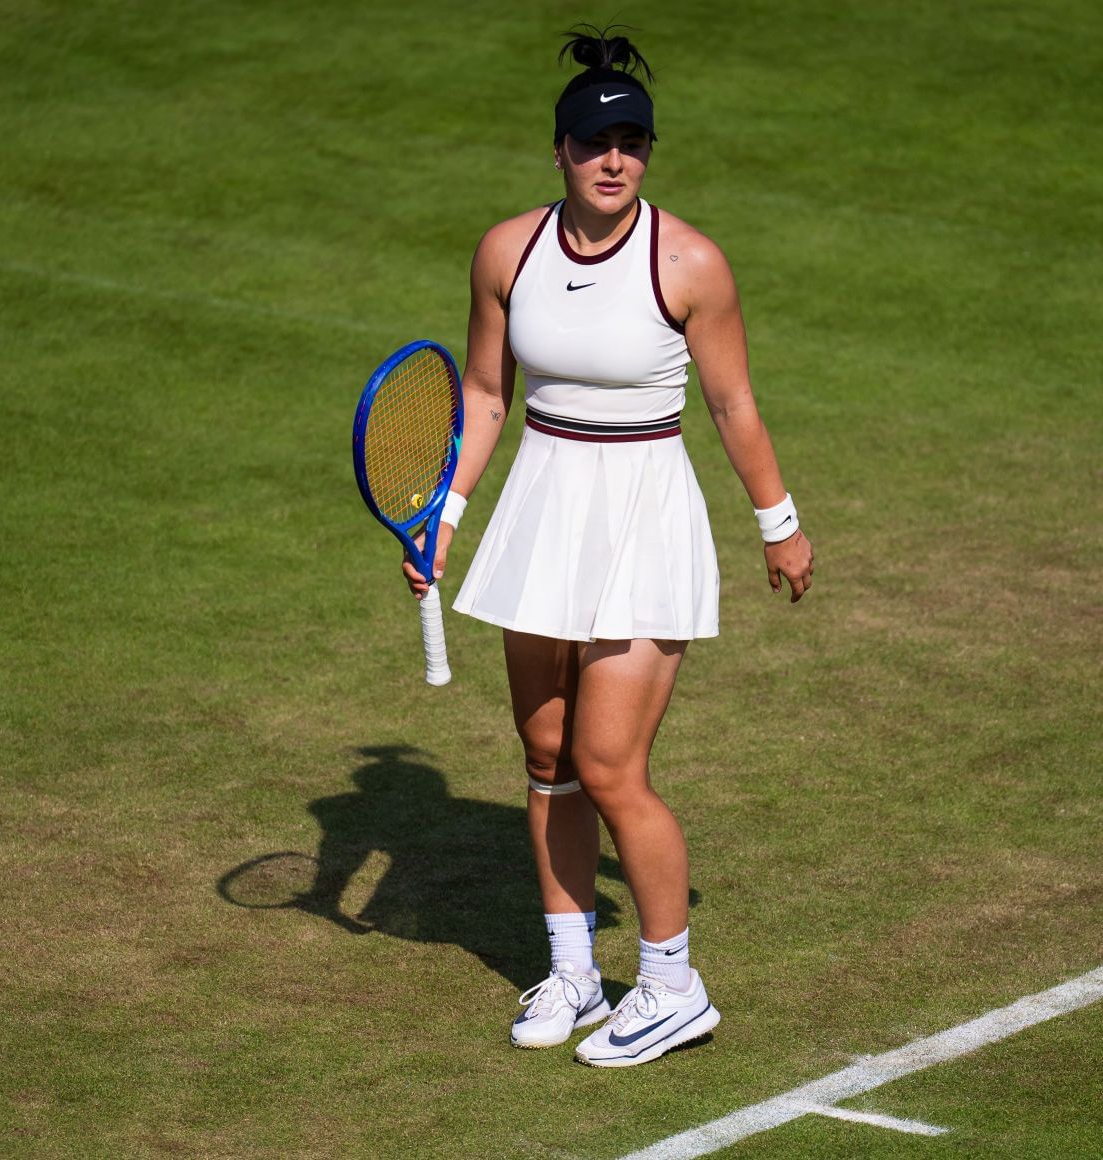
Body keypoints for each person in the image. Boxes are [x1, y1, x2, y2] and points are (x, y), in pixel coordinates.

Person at [401, 25, 815, 1068]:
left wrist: (780, 523)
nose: (614, 159)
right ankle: (576, 969)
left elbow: (731, 401)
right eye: (595, 143)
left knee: (608, 761)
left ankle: (673, 984)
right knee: (547, 760)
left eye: (631, 140)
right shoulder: (508, 251)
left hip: (644, 513)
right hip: (543, 505)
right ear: (560, 152)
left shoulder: (689, 262)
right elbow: (487, 395)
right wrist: (443, 517)